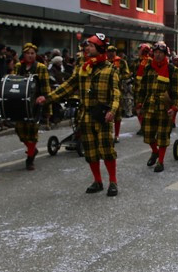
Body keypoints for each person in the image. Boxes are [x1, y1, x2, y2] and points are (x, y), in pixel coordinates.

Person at [37, 33, 121, 195]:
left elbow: (116, 93)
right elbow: (68, 86)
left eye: (91, 45)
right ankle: (97, 181)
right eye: (87, 45)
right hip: (86, 115)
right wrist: (47, 98)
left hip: (103, 116)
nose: (86, 48)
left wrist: (112, 110)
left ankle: (113, 181)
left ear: (99, 48)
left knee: (107, 150)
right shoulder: (83, 67)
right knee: (90, 151)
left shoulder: (110, 70)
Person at [138, 41, 178, 173]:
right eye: (155, 52)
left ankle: (160, 162)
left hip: (164, 107)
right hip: (149, 105)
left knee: (162, 136)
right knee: (148, 134)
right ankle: (155, 152)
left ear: (165, 54)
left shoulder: (172, 69)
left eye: (160, 53)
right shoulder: (148, 68)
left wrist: (174, 107)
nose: (157, 55)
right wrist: (139, 104)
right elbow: (142, 88)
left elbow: (176, 91)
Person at [12, 44, 52, 171]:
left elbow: (46, 88)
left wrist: (47, 108)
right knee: (20, 130)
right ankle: (31, 149)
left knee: (32, 131)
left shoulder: (41, 68)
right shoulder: (18, 67)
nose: (30, 55)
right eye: (28, 53)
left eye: (33, 53)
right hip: (20, 103)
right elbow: (13, 84)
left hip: (35, 104)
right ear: (24, 54)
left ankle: (30, 159)